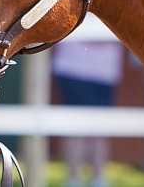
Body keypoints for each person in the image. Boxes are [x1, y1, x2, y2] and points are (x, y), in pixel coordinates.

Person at [51, 39, 124, 187]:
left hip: (105, 72)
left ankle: (98, 179)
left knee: (100, 128)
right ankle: (73, 179)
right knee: (76, 128)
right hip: (75, 68)